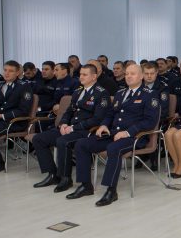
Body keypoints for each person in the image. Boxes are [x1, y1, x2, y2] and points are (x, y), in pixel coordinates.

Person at [67, 64, 159, 207]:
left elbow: (150, 122)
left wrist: (128, 132)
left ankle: (111, 191)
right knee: (82, 144)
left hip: (135, 137)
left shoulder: (149, 95)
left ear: (141, 76)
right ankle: (86, 185)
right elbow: (110, 114)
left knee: (113, 149)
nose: (128, 76)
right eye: (127, 73)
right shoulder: (120, 93)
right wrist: (104, 125)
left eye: (132, 74)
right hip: (114, 133)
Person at [31, 64, 110, 191]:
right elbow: (68, 112)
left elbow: (97, 119)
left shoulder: (102, 93)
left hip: (85, 131)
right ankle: (52, 174)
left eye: (85, 74)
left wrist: (73, 128)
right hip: (69, 128)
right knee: (39, 139)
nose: (81, 77)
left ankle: (65, 178)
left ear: (94, 76)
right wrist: (63, 124)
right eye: (80, 74)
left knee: (63, 142)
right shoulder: (78, 91)